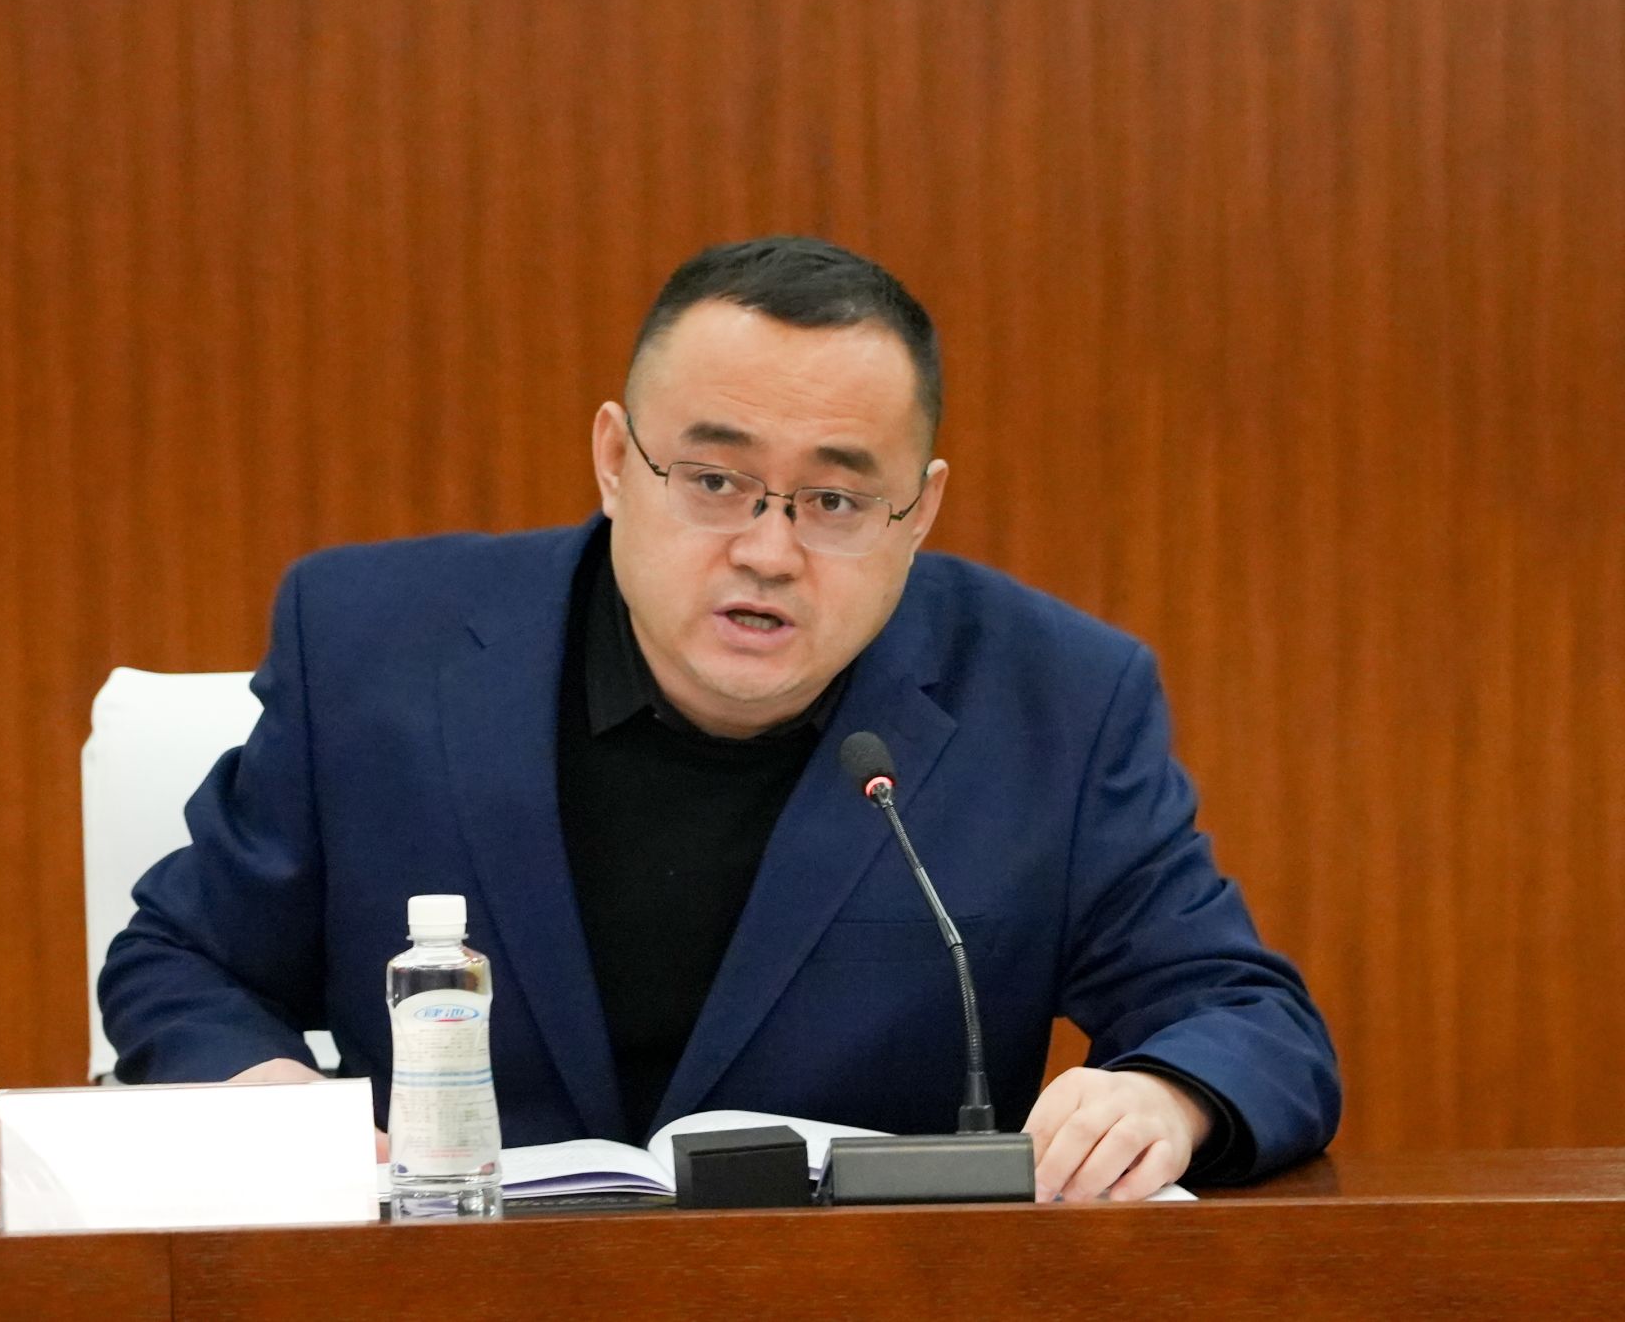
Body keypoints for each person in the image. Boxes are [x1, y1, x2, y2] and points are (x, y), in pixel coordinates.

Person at [100, 236, 1341, 1201]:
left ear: (918, 511)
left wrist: (1164, 1095)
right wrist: (269, 1098)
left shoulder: (1054, 700)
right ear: (613, 459)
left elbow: (1245, 1018)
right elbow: (181, 959)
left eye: (835, 501)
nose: (767, 550)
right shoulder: (372, 647)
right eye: (712, 480)